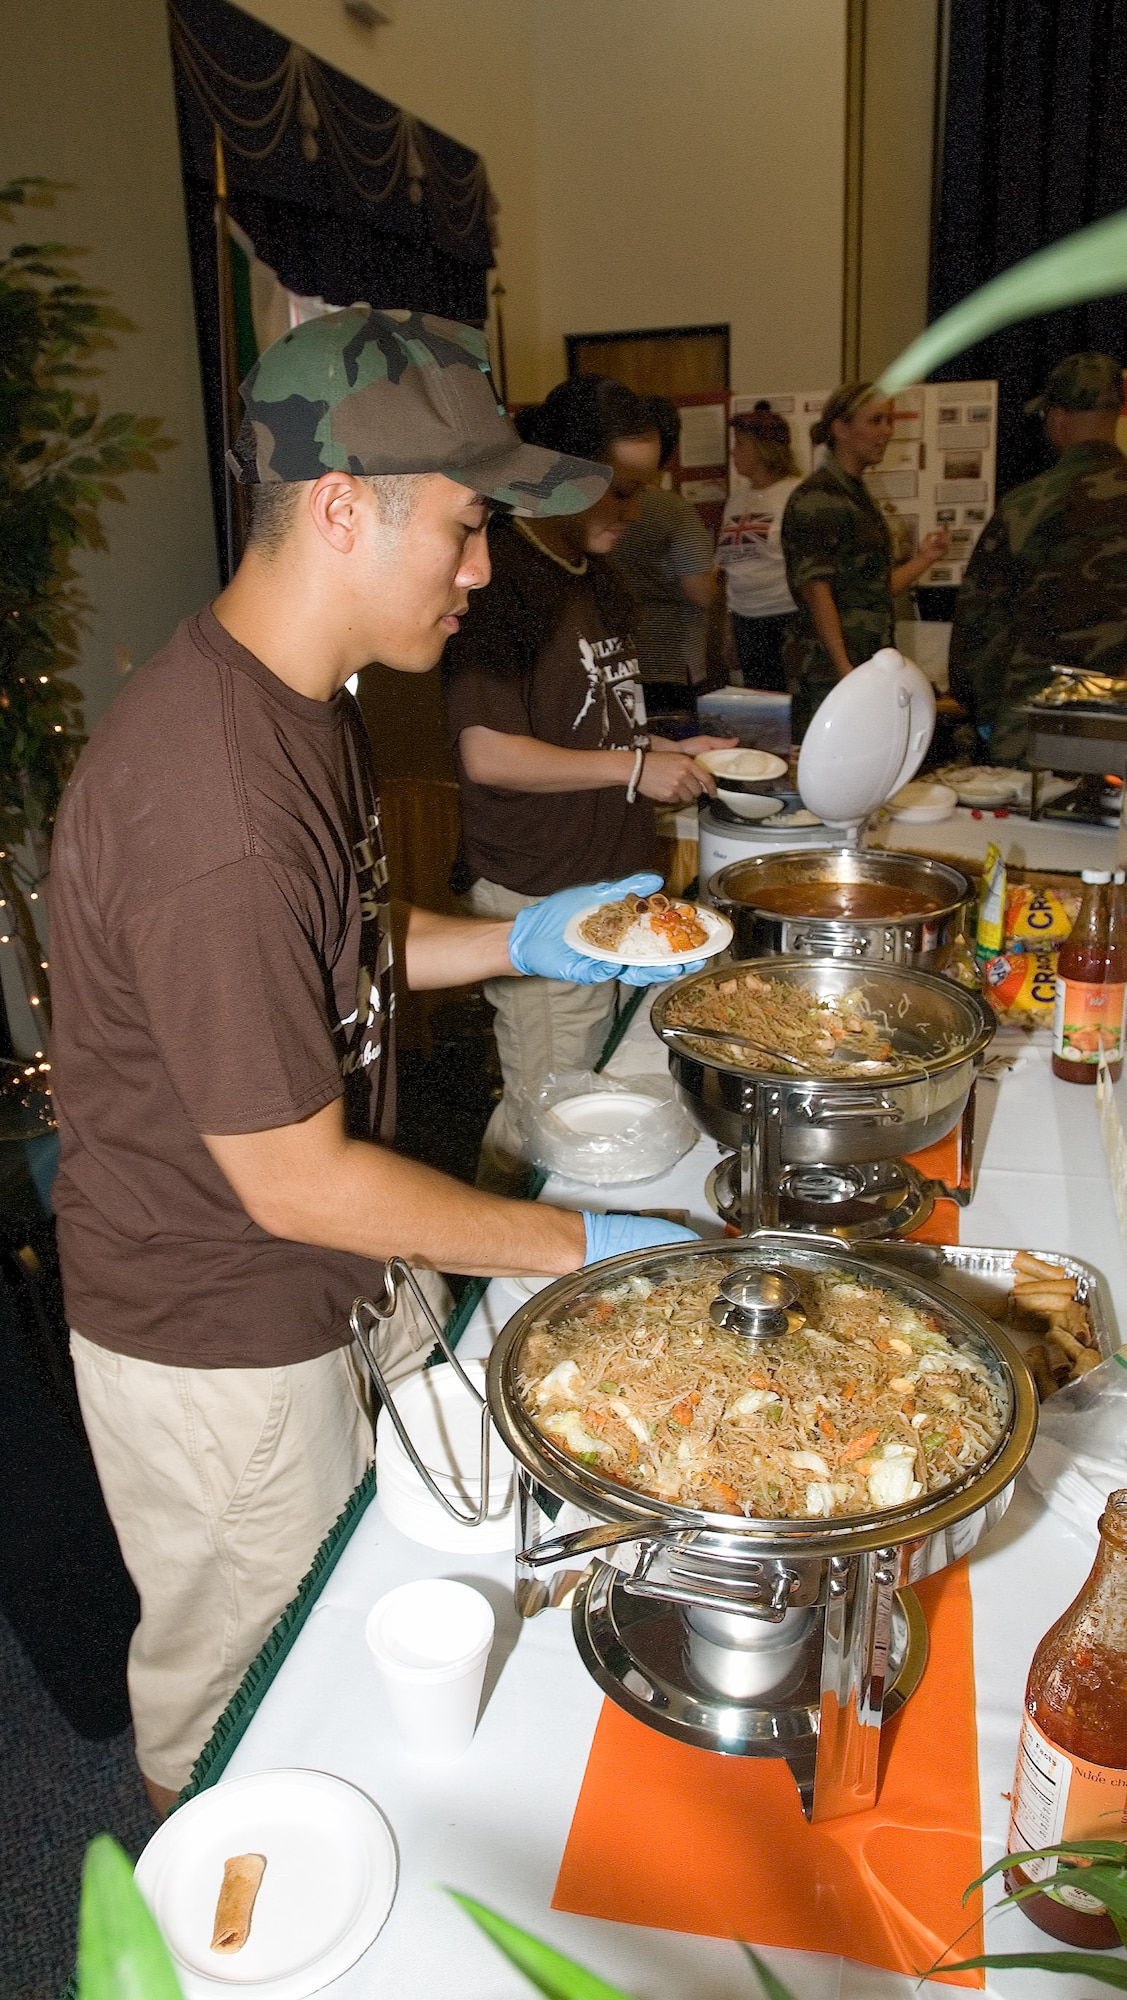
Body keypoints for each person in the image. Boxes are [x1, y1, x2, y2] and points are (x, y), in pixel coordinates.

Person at [48, 309, 698, 1813]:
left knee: (395, 1574)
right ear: (341, 507)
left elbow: (341, 945)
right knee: (242, 1716)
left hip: (314, 1270)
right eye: (466, 528)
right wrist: (580, 1242)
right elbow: (294, 1180)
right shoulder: (207, 798)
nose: (483, 570)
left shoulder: (306, 704)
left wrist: (528, 941)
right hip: (220, 1330)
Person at [443, 373, 736, 1194]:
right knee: (544, 1105)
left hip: (606, 879)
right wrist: (636, 766)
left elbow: (593, 720)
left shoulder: (593, 570)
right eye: (622, 491)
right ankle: (490, 1262)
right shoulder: (496, 582)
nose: (634, 512)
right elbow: (488, 754)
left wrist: (666, 743)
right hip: (539, 889)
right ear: (555, 474)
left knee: (587, 1083)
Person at [948, 352, 1127, 761]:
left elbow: (978, 628)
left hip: (1037, 725)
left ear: (1059, 418)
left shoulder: (1027, 505)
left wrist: (987, 714)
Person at [781, 382, 949, 737]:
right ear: (840, 429)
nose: (886, 432)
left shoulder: (855, 493)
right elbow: (816, 591)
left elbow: (873, 589)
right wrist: (845, 668)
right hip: (828, 669)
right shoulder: (819, 497)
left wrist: (924, 559)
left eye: (889, 421)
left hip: (867, 661)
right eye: (874, 421)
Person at [608, 394, 717, 713]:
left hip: (619, 657)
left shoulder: (601, 509)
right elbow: (700, 592)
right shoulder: (675, 510)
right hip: (670, 658)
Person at [715, 402, 803, 692]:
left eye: (741, 444)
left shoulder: (795, 494)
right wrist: (729, 629)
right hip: (745, 619)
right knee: (761, 707)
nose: (733, 451)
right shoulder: (737, 499)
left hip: (787, 617)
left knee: (793, 703)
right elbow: (731, 567)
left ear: (765, 449)